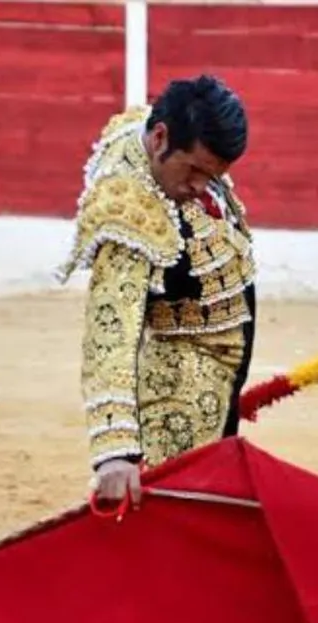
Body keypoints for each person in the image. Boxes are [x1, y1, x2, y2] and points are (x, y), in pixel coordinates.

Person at [56, 75, 258, 509]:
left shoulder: (154, 137)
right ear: (161, 139)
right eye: (194, 171)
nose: (202, 187)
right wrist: (115, 451)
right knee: (177, 523)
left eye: (214, 175)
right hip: (176, 395)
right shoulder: (128, 206)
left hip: (214, 378)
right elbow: (110, 330)